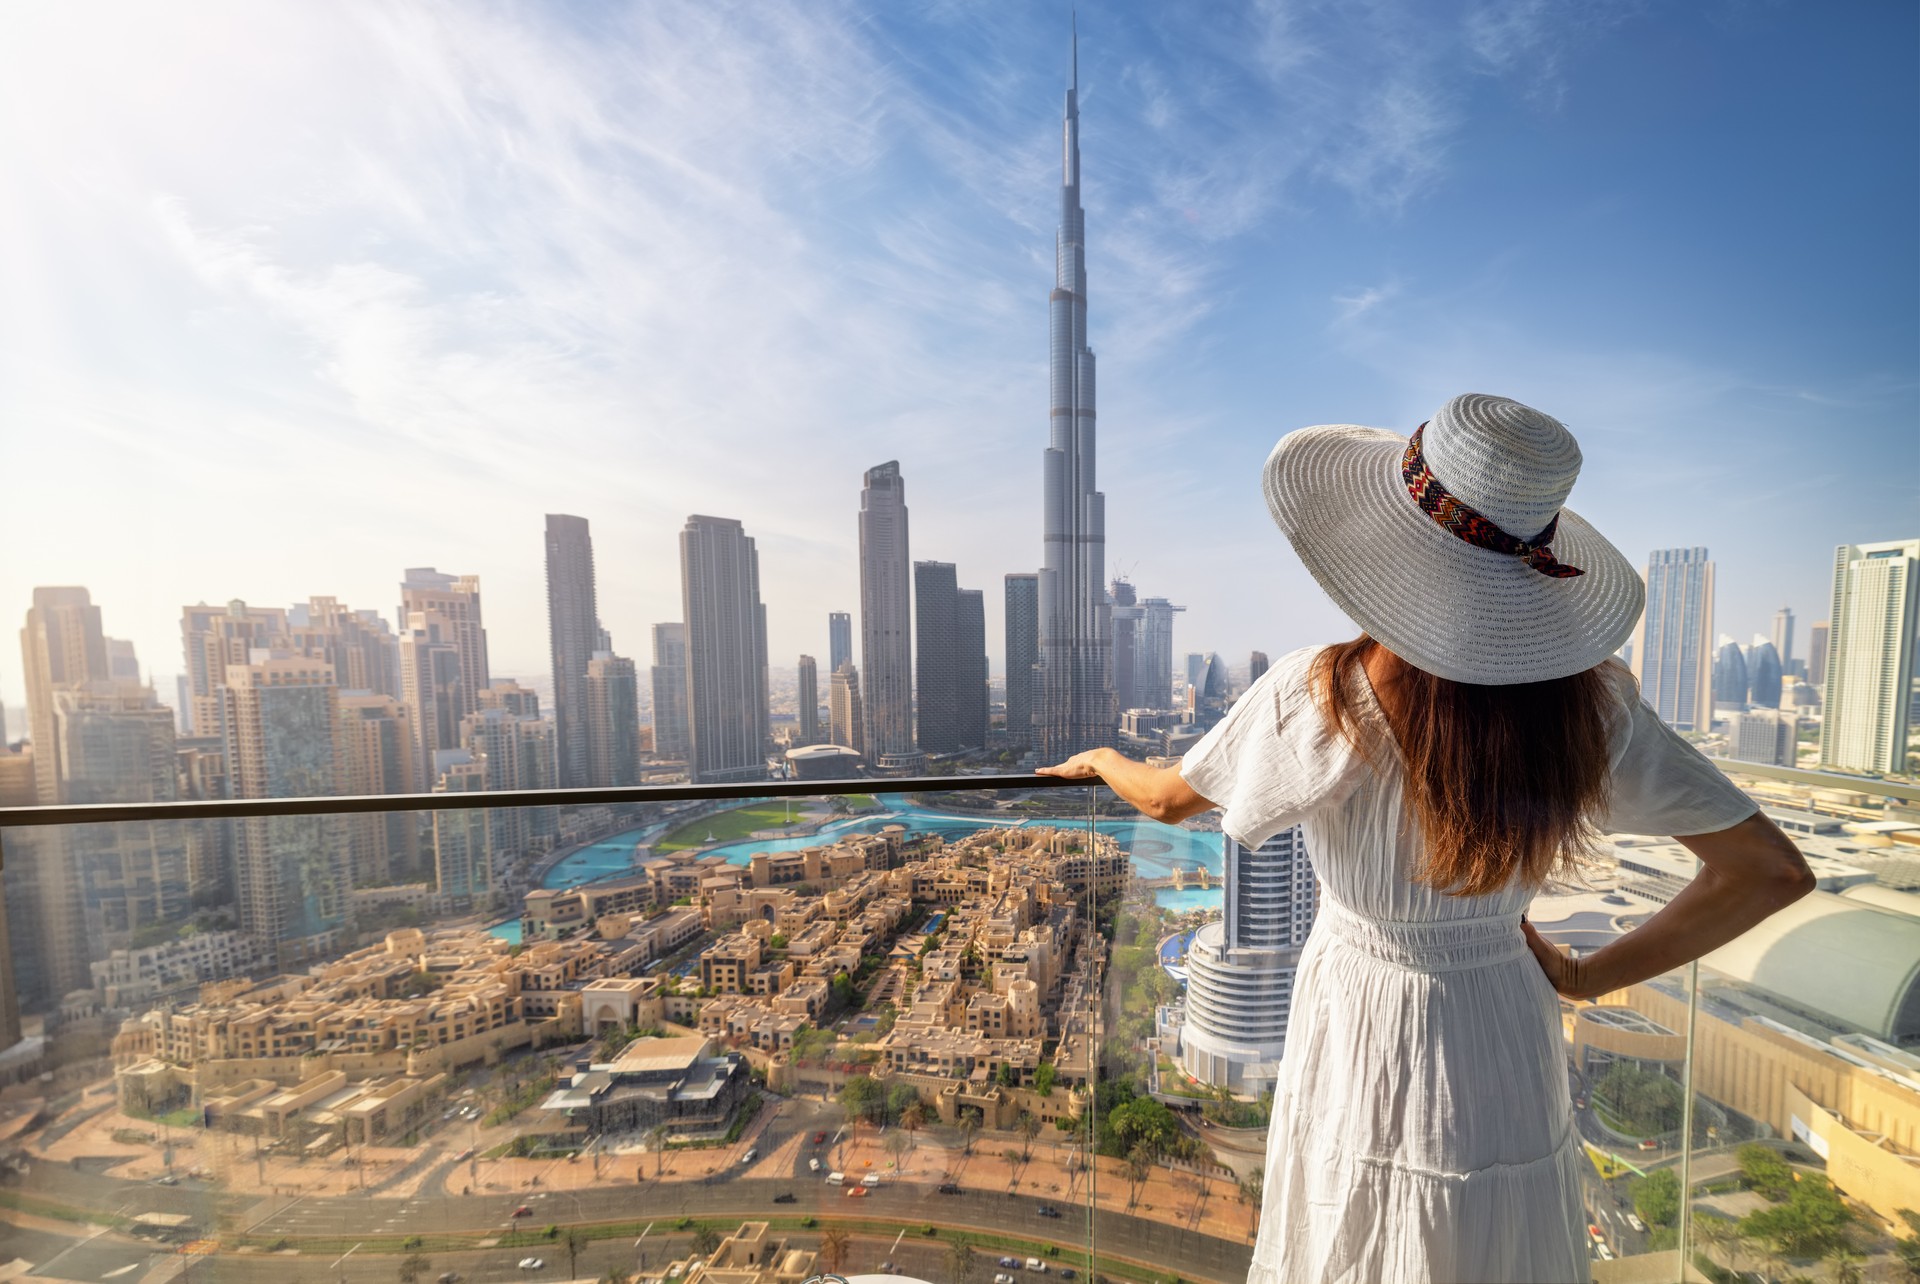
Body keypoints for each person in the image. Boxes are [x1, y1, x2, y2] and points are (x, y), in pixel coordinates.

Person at [1040, 394, 1813, 1283]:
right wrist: (1585, 976)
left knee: (1354, 1228)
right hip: (1504, 1016)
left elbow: (1171, 802)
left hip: (1360, 1014)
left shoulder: (1319, 693)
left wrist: (1105, 758)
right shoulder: (1591, 708)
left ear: (1384, 551)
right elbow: (1770, 872)